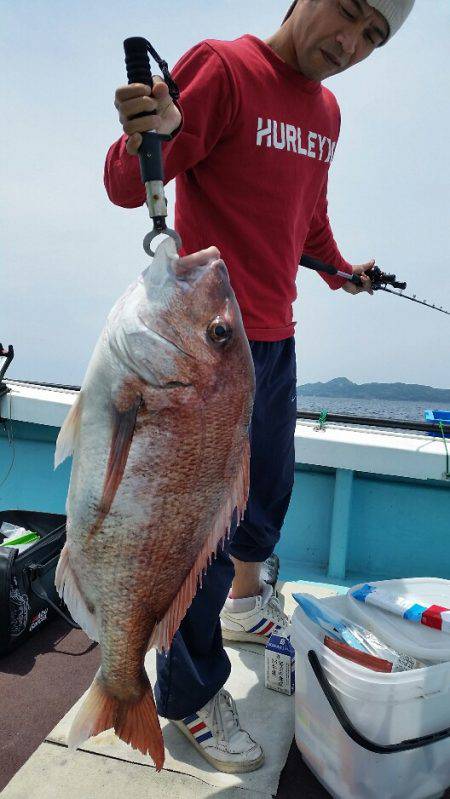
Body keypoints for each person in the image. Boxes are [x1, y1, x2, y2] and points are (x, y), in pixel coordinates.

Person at [105, 0, 415, 773]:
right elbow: (126, 180)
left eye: (374, 36)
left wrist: (342, 269)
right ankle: (185, 695)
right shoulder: (225, 66)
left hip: (273, 344)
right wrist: (153, 134)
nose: (351, 44)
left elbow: (306, 218)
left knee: (267, 501)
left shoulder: (328, 111)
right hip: (205, 352)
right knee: (203, 535)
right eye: (347, 14)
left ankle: (243, 610)